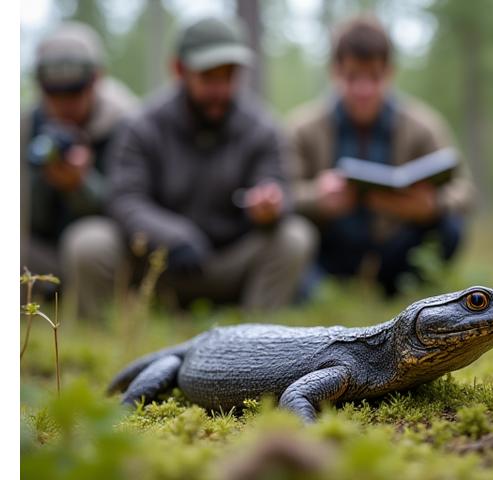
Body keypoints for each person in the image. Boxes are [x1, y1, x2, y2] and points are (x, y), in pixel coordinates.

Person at [68, 16, 317, 318]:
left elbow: (278, 184)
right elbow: (124, 199)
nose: (220, 88)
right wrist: (173, 236)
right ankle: (103, 337)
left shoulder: (263, 129)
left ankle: (258, 335)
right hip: (157, 267)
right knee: (89, 241)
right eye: (208, 76)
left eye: (228, 76)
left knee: (294, 237)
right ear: (178, 70)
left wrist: (270, 206)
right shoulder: (141, 127)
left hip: (229, 263)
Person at [287, 15, 475, 297]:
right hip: (327, 250)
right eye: (352, 77)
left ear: (389, 72)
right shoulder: (302, 128)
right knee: (291, 232)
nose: (364, 90)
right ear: (335, 72)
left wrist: (431, 205)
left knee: (450, 226)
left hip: (396, 249)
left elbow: (466, 191)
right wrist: (317, 197)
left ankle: (408, 291)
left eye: (373, 77)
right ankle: (317, 292)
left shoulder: (422, 125)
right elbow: (281, 192)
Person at [20, 21, 138, 297]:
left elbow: (133, 210)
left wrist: (81, 186)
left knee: (88, 243)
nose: (64, 103)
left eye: (74, 90)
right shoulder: (24, 127)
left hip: (106, 259)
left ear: (96, 78)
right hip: (44, 254)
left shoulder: (127, 124)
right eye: (53, 91)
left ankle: (94, 323)